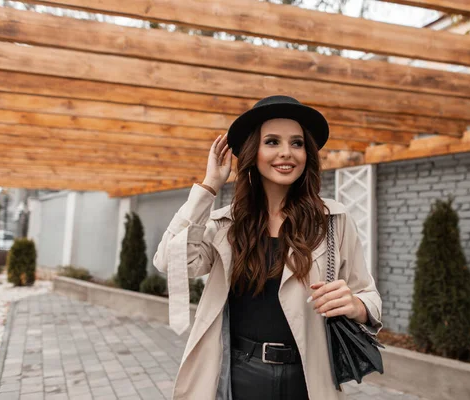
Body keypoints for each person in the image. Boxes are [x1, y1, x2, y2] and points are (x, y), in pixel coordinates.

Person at [153, 95, 382, 400]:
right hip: (239, 375)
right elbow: (170, 261)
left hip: (309, 377)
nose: (286, 153)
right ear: (253, 152)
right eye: (272, 142)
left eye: (297, 143)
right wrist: (208, 187)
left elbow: (369, 295)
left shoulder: (333, 221)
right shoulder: (226, 225)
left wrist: (358, 306)